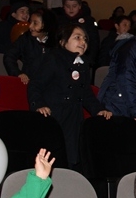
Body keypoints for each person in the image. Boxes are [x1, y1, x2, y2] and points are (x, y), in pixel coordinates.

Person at [28, 24, 111, 169]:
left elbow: (86, 93)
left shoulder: (84, 64)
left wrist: (99, 110)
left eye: (85, 39)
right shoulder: (53, 58)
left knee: (72, 157)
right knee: (54, 156)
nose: (83, 42)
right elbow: (35, 85)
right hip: (55, 115)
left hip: (74, 118)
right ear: (63, 42)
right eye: (77, 37)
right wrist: (39, 105)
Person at [3, 8, 54, 85]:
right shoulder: (26, 39)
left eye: (35, 23)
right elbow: (9, 56)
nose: (30, 26)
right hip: (29, 83)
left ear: (45, 25)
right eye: (30, 22)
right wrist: (18, 73)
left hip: (50, 85)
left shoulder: (56, 42)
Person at [55, 0, 99, 68]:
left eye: (74, 6)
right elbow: (55, 41)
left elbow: (94, 43)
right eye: (68, 6)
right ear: (63, 7)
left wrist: (89, 61)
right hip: (61, 59)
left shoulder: (88, 21)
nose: (71, 9)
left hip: (83, 58)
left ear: (79, 6)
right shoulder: (59, 21)